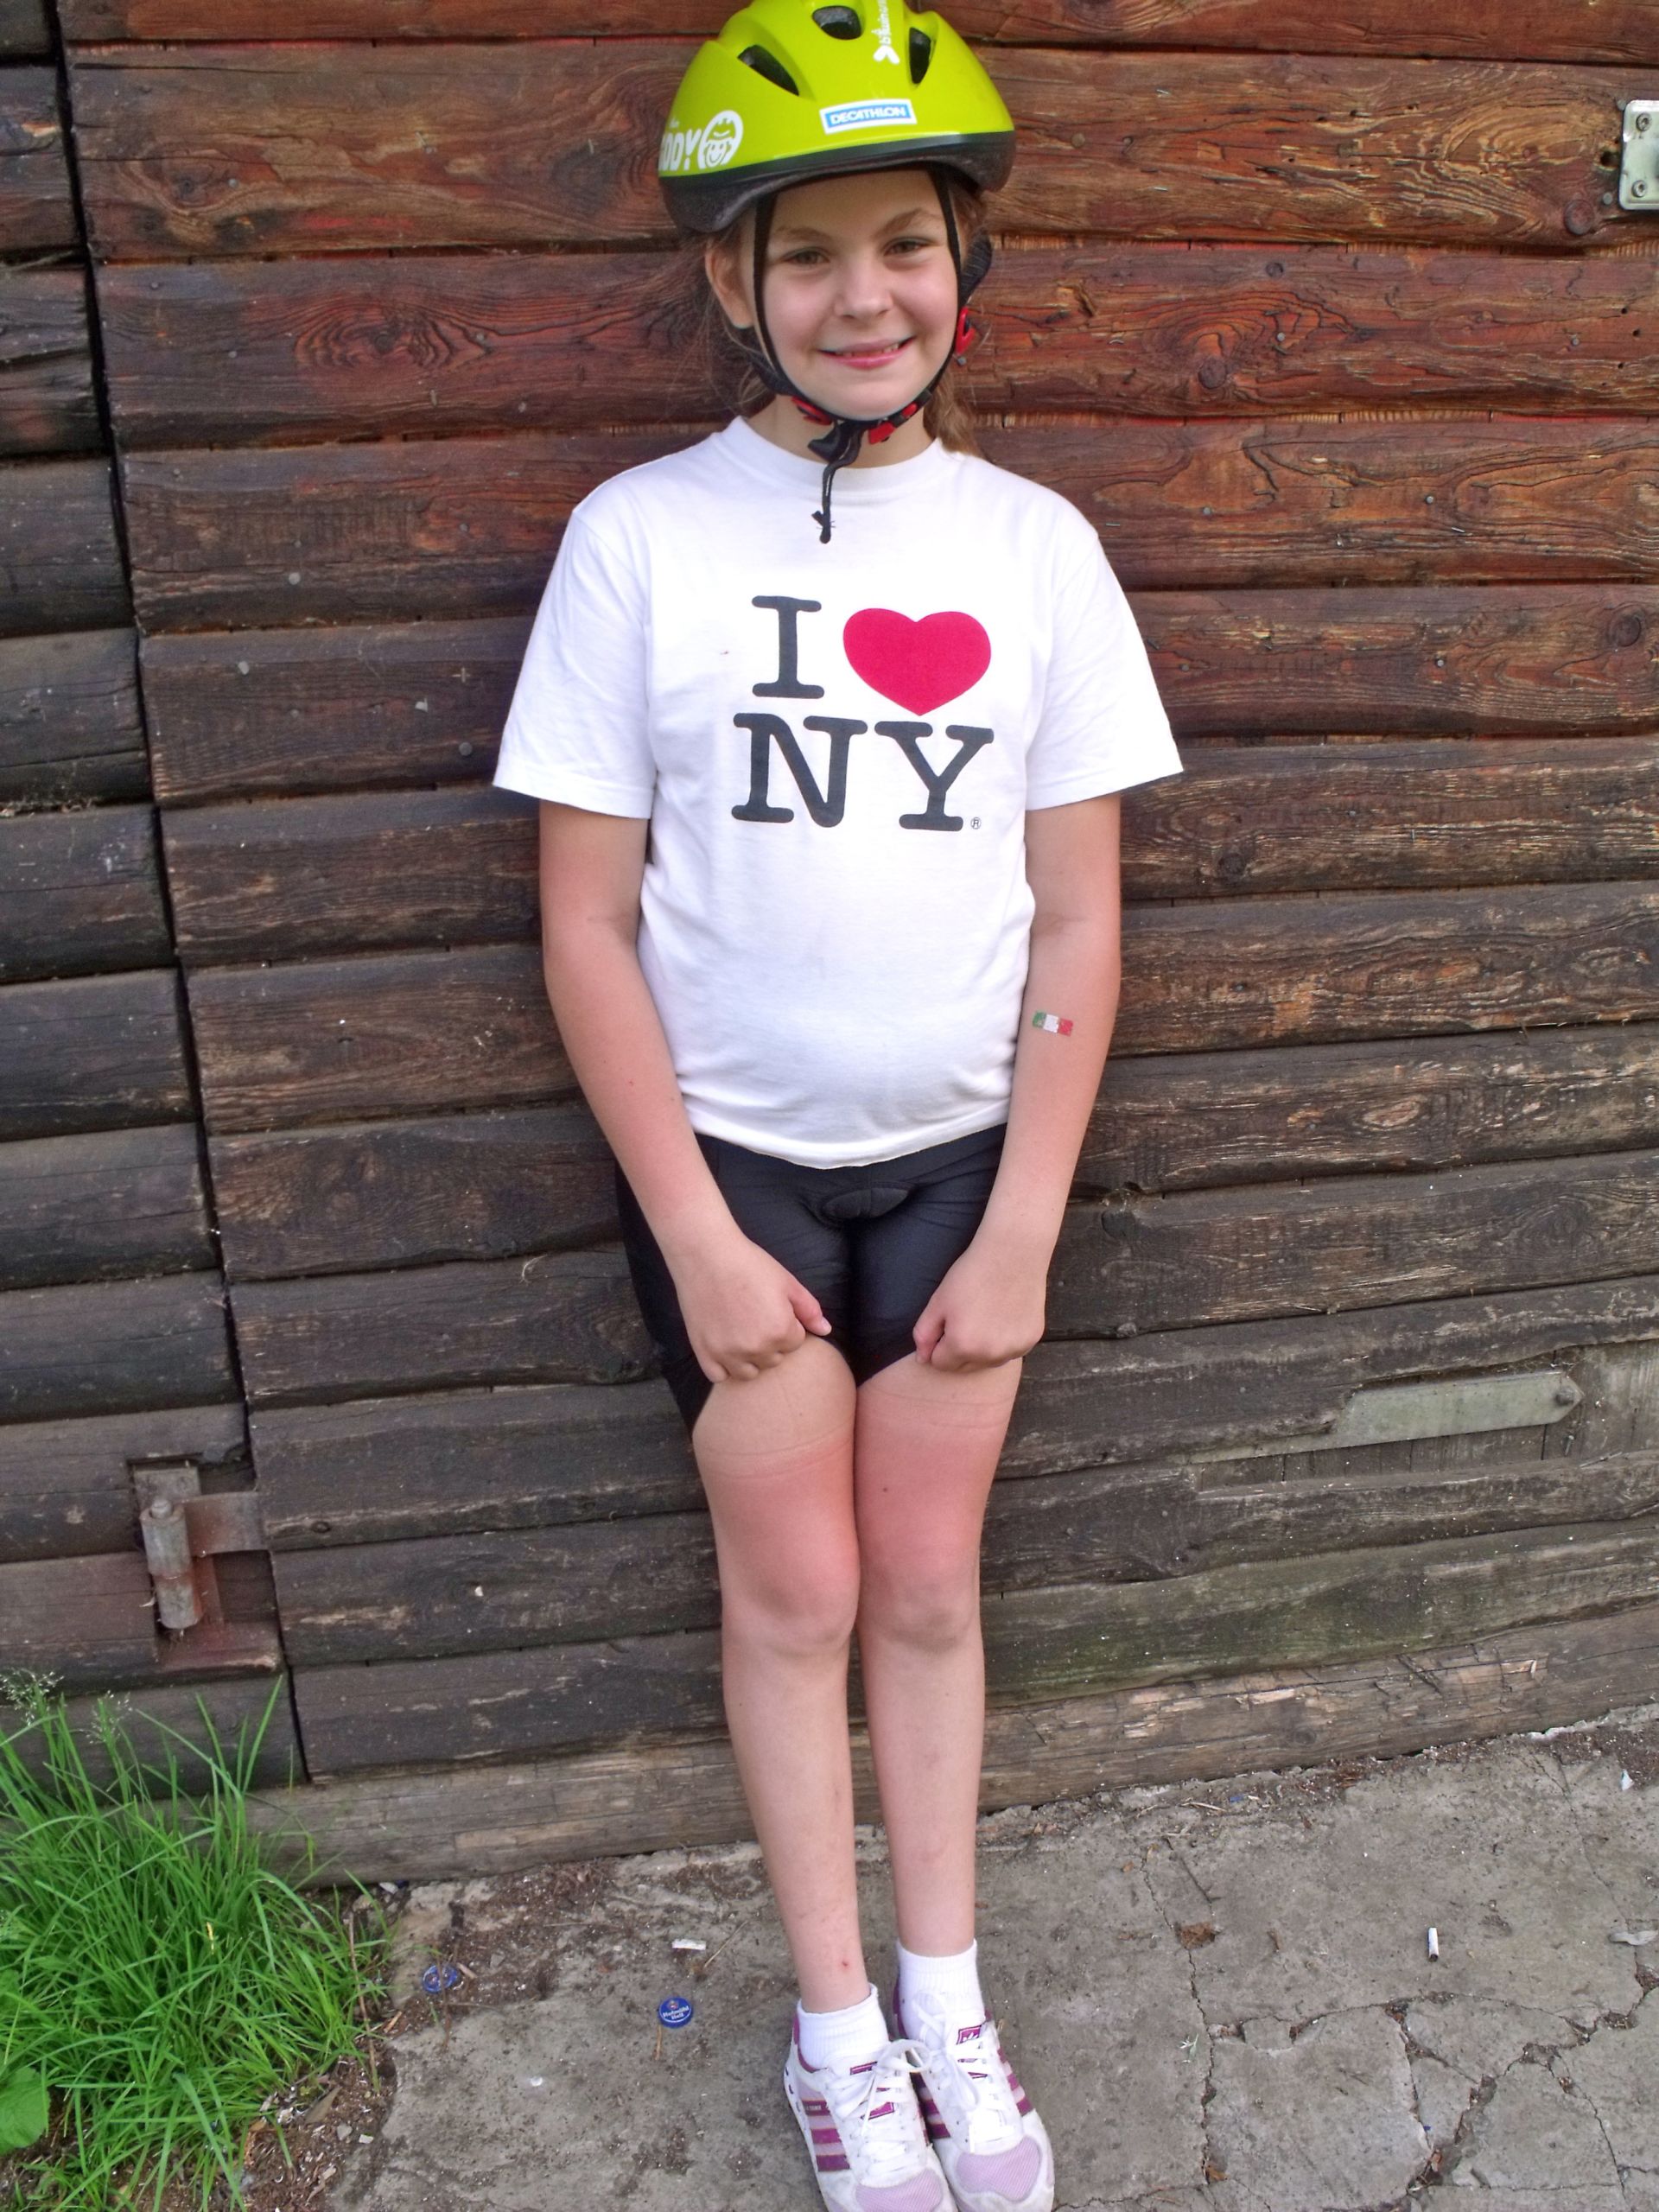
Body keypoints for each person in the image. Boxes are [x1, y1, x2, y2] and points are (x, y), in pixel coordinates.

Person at [493, 6, 1184, 2206]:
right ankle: (833, 2031)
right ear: (733, 281)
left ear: (961, 262)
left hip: (967, 1172)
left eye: (907, 241)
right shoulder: (640, 540)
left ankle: (951, 2000)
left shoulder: (1034, 548)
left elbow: (1075, 923)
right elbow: (589, 921)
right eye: (810, 256)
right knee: (789, 1598)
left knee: (930, 1591)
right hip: (743, 1186)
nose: (864, 295)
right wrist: (699, 1235)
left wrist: (1028, 1229)